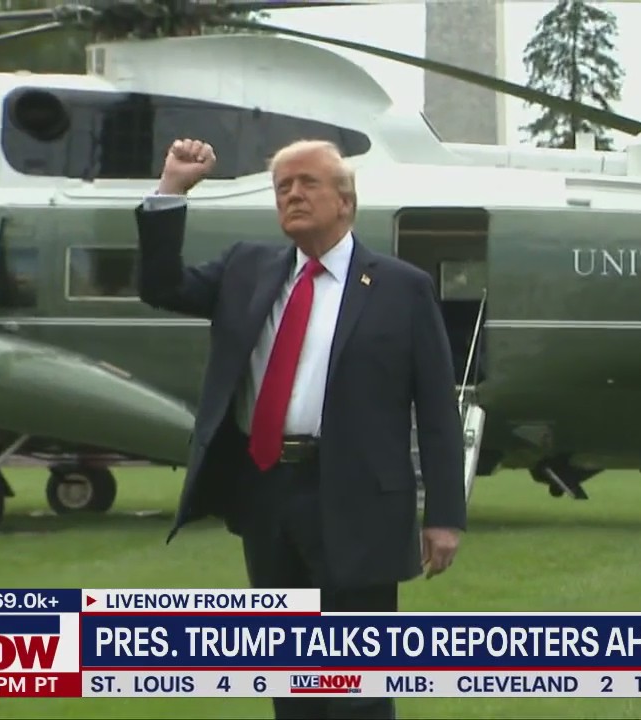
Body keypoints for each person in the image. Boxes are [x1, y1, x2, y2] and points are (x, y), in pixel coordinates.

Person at [134, 138, 467, 720]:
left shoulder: (400, 287)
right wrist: (170, 192)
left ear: (345, 201)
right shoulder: (246, 270)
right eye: (282, 186)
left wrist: (444, 514)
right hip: (268, 493)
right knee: (293, 682)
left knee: (358, 686)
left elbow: (437, 409)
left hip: (360, 499)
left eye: (307, 182)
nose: (292, 194)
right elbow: (161, 288)